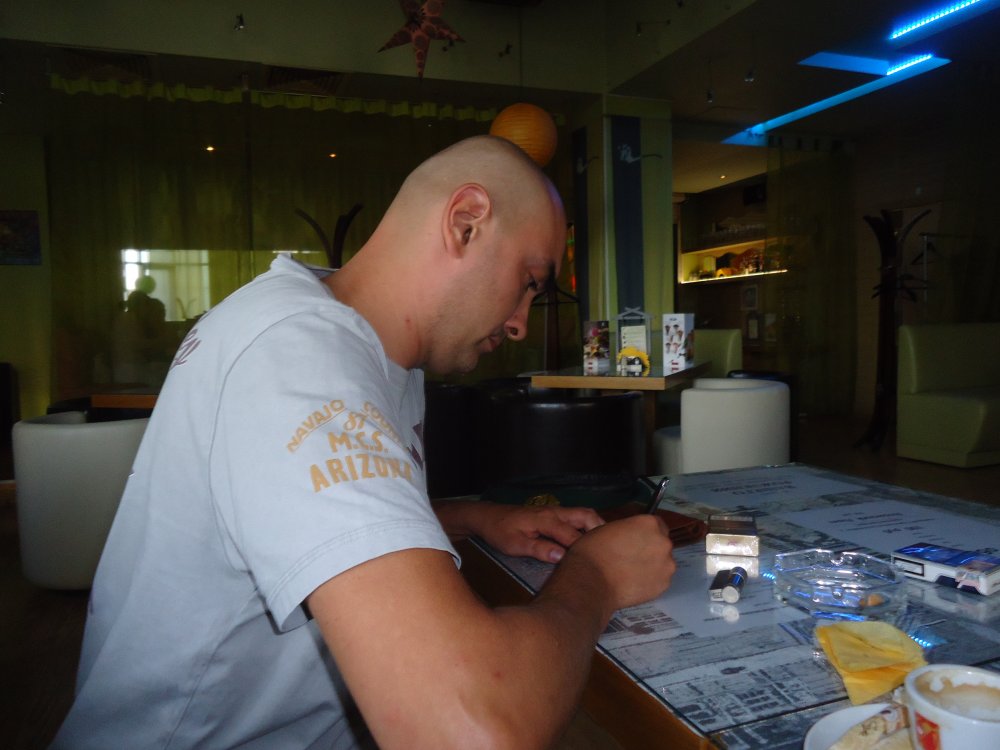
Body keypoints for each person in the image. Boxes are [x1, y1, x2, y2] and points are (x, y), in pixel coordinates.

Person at [52, 135, 676, 749]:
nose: (519, 323)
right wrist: (596, 578)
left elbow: (296, 521)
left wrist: (475, 517)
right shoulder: (300, 358)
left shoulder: (373, 353)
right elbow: (471, 733)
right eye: (529, 281)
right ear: (465, 222)